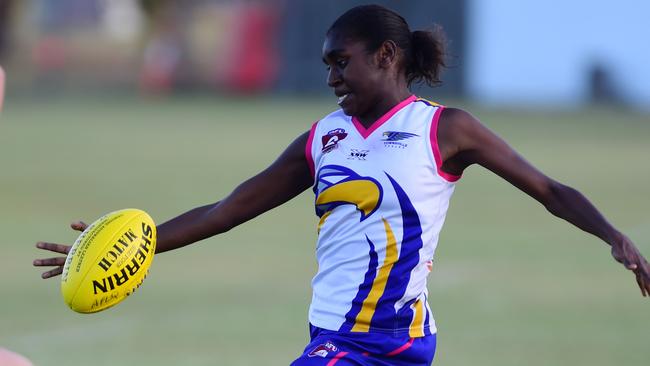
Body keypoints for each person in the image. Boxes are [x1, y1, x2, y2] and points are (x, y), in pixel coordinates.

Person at [34, 4, 649, 365]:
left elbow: (549, 189)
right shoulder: (322, 138)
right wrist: (132, 246)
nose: (331, 75)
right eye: (326, 63)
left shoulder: (444, 130)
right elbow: (227, 209)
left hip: (383, 340)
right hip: (332, 334)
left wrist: (612, 235)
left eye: (340, 61)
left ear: (385, 55)